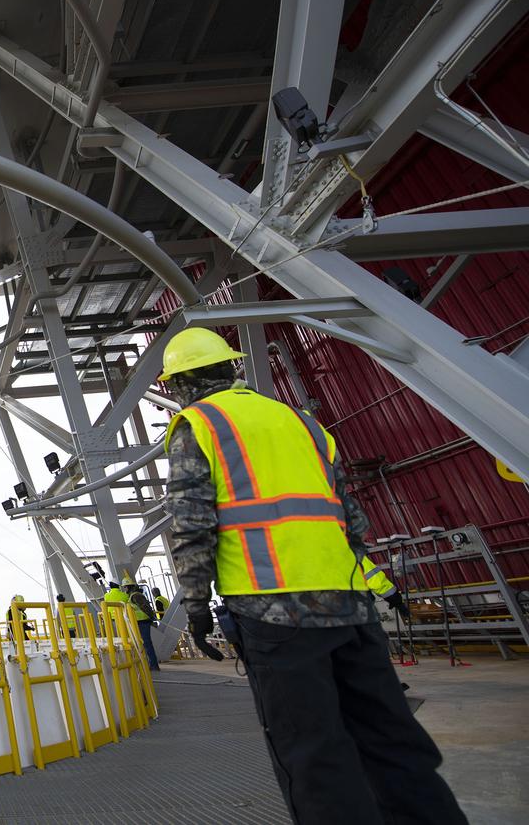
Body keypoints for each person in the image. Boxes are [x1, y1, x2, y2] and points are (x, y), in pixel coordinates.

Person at [161, 327, 464, 824]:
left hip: (273, 614)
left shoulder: (199, 425)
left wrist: (195, 606)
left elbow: (192, 526)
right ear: (230, 369)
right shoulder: (302, 422)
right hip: (350, 606)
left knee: (314, 753)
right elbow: (352, 520)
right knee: (392, 739)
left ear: (180, 384)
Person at [123, 577, 160, 671]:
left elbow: (145, 606)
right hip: (139, 622)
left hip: (143, 622)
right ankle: (150, 664)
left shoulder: (135, 596)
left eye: (125, 587)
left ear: (128, 587)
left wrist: (152, 617)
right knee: (144, 644)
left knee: (147, 644)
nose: (124, 589)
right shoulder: (133, 595)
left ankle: (154, 665)